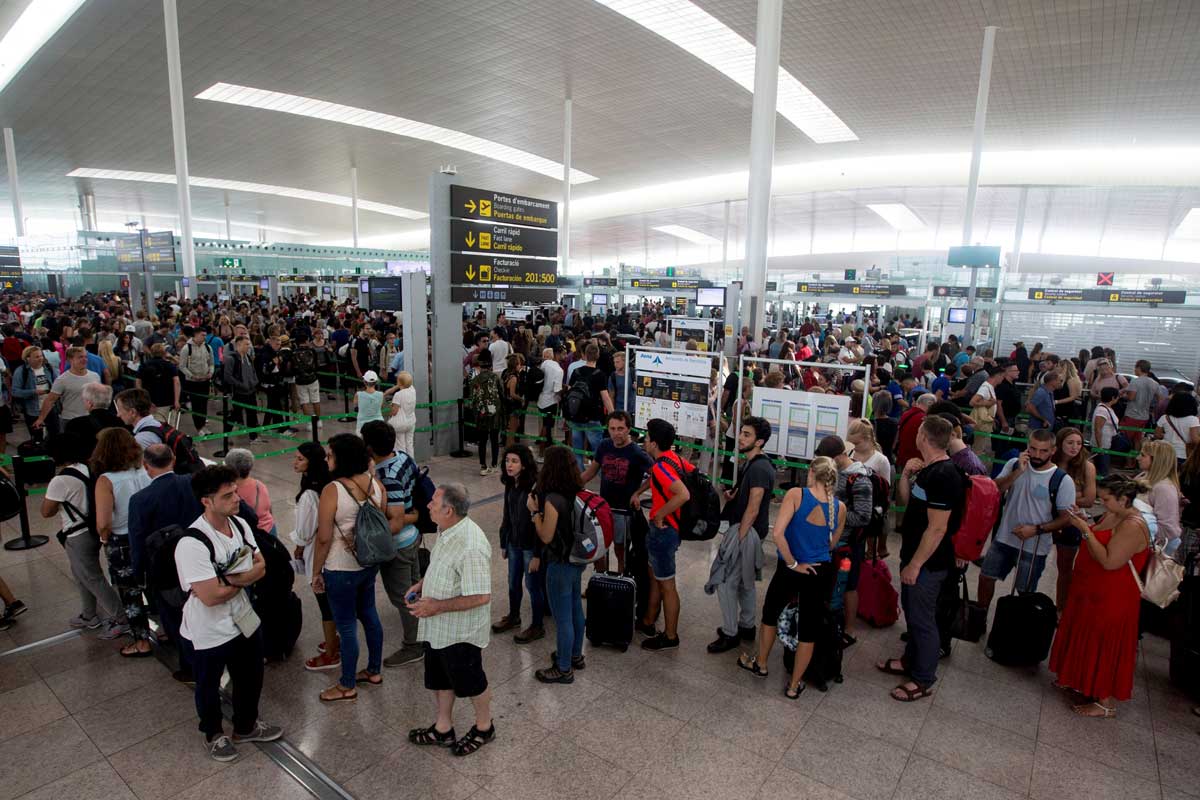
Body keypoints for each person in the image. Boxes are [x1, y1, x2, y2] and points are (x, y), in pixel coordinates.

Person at [177, 464, 282, 761]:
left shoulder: (239, 524)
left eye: (235, 491)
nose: (237, 498)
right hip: (208, 630)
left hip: (242, 618)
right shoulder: (192, 543)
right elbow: (210, 598)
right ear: (206, 501)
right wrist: (242, 578)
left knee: (251, 676)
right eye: (227, 495)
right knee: (208, 685)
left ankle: (245, 725)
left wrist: (228, 580)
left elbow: (262, 566)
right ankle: (213, 733)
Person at [737, 457, 843, 698]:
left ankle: (761, 664)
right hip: (819, 571)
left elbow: (778, 533)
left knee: (770, 613)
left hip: (791, 567)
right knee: (809, 629)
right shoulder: (839, 507)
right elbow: (831, 544)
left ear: (812, 473)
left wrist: (794, 562)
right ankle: (794, 686)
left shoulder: (796, 495)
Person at [876, 415, 963, 702]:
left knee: (923, 620)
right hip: (915, 555)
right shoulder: (929, 470)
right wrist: (905, 477)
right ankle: (909, 661)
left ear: (924, 437)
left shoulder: (944, 475)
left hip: (928, 562)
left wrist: (916, 564)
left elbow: (937, 528)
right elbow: (908, 507)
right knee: (913, 614)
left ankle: (923, 678)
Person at [406, 483, 496, 757]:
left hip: (460, 632)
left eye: (434, 501)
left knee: (471, 682)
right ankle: (443, 727)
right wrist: (423, 584)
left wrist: (436, 606)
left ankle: (484, 726)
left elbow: (481, 596)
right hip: (438, 628)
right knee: (440, 678)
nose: (428, 505)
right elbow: (441, 565)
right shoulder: (447, 530)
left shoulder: (471, 545)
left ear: (449, 510)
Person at [1049, 477, 1151, 718]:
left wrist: (1084, 530)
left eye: (1106, 499)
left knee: (1103, 642)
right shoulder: (1114, 514)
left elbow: (1109, 561)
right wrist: (1084, 522)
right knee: (1083, 631)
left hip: (1111, 595)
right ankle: (1077, 678)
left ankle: (1105, 701)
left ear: (1123, 500)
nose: (1102, 503)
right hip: (1090, 590)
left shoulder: (1133, 525)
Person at [308, 433, 387, 701]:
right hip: (369, 563)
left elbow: (323, 537)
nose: (326, 459)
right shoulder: (376, 485)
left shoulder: (333, 490)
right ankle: (374, 670)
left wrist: (316, 571)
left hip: (340, 567)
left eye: (330, 454)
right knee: (369, 613)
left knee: (347, 625)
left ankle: (347, 684)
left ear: (342, 457)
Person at [972, 428, 1077, 620]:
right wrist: (1018, 472)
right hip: (1004, 537)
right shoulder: (1014, 464)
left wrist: (1036, 530)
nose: (1037, 455)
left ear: (1053, 450)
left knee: (1025, 590)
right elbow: (995, 490)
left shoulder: (1062, 480)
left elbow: (1067, 518)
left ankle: (1015, 629)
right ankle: (979, 618)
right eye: (1033, 449)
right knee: (986, 577)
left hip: (1035, 546)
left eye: (1043, 451)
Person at [127, 443, 205, 682]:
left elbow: (137, 540)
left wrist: (138, 573)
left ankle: (190, 665)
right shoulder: (191, 482)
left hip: (164, 568)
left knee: (173, 617)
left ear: (146, 466)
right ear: (172, 459)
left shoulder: (140, 499)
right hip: (198, 557)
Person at [706, 416, 774, 653]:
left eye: (747, 435)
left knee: (725, 581)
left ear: (760, 441)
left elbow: (754, 507)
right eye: (742, 433)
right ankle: (746, 625)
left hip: (746, 532)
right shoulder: (754, 464)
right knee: (745, 581)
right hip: (749, 530)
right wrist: (735, 498)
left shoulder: (759, 468)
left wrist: (739, 538)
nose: (741, 438)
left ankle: (730, 632)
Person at [361, 421, 424, 669]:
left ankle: (414, 645)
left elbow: (395, 523)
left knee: (404, 597)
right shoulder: (403, 458)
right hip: (413, 537)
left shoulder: (387, 476)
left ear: (369, 447)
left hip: (398, 544)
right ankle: (424, 633)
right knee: (416, 589)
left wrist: (367, 534)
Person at [41, 435, 121, 632]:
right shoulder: (89, 469)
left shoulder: (60, 480)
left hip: (77, 535)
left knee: (92, 577)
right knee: (81, 574)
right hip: (94, 527)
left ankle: (122, 618)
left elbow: (46, 511)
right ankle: (89, 614)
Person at [527, 446, 588, 683]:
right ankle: (575, 655)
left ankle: (563, 668)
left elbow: (546, 536)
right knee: (575, 608)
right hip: (576, 559)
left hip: (559, 563)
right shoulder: (576, 491)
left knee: (562, 617)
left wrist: (534, 513)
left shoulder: (553, 499)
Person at [91, 427, 152, 655]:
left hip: (122, 541)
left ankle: (142, 641)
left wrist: (103, 537)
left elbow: (103, 522)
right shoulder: (144, 471)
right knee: (154, 586)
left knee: (130, 594)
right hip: (148, 536)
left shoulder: (106, 480)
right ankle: (166, 629)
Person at [815, 434, 874, 646]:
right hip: (830, 540)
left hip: (849, 544)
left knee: (849, 586)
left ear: (840, 456)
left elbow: (863, 516)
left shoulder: (860, 480)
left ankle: (849, 629)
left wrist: (834, 513)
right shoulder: (835, 472)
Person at [578, 410, 653, 575]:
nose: (616, 433)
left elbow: (656, 475)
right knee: (599, 546)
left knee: (620, 549)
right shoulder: (604, 445)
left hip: (624, 511)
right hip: (603, 508)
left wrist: (638, 493)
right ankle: (600, 581)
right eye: (612, 428)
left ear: (628, 429)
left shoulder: (636, 452)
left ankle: (620, 580)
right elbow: (591, 472)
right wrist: (572, 485)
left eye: (620, 428)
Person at [638, 418, 691, 651]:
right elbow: (660, 480)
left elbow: (683, 494)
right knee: (656, 577)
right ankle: (648, 620)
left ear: (654, 443)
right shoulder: (674, 459)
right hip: (674, 528)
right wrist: (639, 492)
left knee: (667, 584)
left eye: (647, 437)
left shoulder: (661, 466)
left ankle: (670, 636)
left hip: (664, 530)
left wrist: (660, 514)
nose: (644, 441)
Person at [288, 441, 339, 672]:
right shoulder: (330, 484)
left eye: (300, 459)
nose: (295, 462)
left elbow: (305, 532)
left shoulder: (309, 494)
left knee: (324, 603)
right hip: (333, 550)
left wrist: (298, 546)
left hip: (316, 552)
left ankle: (331, 652)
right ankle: (334, 640)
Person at [492, 444, 545, 644]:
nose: (509, 465)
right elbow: (507, 514)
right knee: (513, 582)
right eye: (507, 461)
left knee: (533, 586)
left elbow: (540, 521)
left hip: (531, 547)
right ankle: (514, 616)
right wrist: (503, 542)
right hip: (514, 543)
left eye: (515, 461)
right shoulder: (510, 484)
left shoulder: (534, 486)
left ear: (524, 465)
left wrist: (538, 555)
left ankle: (537, 626)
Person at [1053, 427, 1097, 610]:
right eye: (1070, 443)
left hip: (1071, 522)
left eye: (1078, 443)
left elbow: (1089, 499)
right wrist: (1072, 495)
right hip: (1045, 517)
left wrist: (1059, 496)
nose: (1074, 447)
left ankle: (1060, 607)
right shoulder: (1051, 462)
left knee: (1065, 568)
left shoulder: (1087, 466)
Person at [565, 343, 614, 470]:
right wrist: (612, 414)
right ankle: (602, 475)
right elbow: (605, 397)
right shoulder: (599, 374)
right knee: (598, 450)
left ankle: (579, 475)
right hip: (592, 416)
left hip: (576, 415)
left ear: (584, 355)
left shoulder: (576, 372)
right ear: (597, 356)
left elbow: (569, 392)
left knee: (577, 450)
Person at [33, 346, 98, 434]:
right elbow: (50, 400)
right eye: (80, 357)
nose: (84, 359)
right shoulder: (62, 380)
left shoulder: (95, 376)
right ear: (70, 360)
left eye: (85, 357)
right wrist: (41, 419)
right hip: (70, 420)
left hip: (91, 419)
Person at [1136, 440, 1182, 551]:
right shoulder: (1144, 477)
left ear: (1156, 460)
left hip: (1151, 548)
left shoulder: (1164, 488)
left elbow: (1167, 528)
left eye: (1143, 455)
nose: (1138, 458)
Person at [62, 382, 124, 461]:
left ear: (89, 403)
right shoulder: (121, 422)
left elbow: (70, 451)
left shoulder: (75, 424)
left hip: (88, 467)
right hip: (117, 463)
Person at [224, 449, 276, 538]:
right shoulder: (259, 485)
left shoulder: (229, 491)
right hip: (269, 529)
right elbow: (269, 509)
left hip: (251, 534)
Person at [468, 350, 504, 475]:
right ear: (490, 364)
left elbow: (472, 400)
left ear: (480, 364)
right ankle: (494, 465)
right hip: (495, 413)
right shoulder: (495, 378)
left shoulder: (474, 381)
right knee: (494, 439)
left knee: (482, 441)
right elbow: (502, 395)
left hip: (480, 414)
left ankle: (483, 466)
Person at [11, 345, 57, 440]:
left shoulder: (48, 368)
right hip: (32, 410)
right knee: (37, 437)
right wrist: (33, 392)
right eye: (37, 357)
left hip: (50, 408)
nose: (40, 358)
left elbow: (57, 383)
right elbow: (15, 391)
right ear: (28, 358)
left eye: (41, 356)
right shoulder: (21, 371)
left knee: (54, 435)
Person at [178, 327, 215, 437]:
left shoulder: (208, 347)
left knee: (204, 404)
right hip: (193, 382)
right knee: (196, 405)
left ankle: (203, 425)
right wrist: (192, 376)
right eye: (202, 335)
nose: (204, 337)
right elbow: (182, 366)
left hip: (205, 380)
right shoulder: (186, 348)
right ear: (196, 335)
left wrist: (210, 373)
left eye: (205, 335)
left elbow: (211, 363)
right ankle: (198, 427)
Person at [222, 335, 260, 442]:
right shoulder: (231, 358)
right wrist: (241, 384)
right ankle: (226, 436)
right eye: (246, 344)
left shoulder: (248, 357)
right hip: (238, 393)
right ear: (239, 345)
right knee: (235, 415)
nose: (249, 346)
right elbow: (228, 377)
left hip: (251, 391)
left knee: (252, 414)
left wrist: (254, 382)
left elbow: (253, 372)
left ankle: (253, 437)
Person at [135, 342, 181, 423]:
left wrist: (142, 398)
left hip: (149, 401)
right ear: (164, 352)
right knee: (168, 426)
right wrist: (176, 400)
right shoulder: (169, 365)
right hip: (167, 401)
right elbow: (176, 382)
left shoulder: (144, 365)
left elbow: (138, 382)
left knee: (151, 425)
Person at [1122, 360, 1161, 449]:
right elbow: (1160, 399)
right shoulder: (1154, 383)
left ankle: (1128, 461)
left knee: (1127, 439)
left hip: (1132, 415)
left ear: (1139, 368)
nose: (1134, 370)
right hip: (1145, 416)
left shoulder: (1135, 381)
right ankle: (1136, 459)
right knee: (1138, 439)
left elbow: (1131, 397)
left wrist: (1124, 396)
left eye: (1135, 367)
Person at [1156, 390, 1200, 464]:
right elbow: (1195, 439)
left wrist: (1166, 435)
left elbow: (1157, 435)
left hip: (1165, 453)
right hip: (1183, 454)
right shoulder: (1193, 419)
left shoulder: (1165, 417)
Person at [384, 371, 417, 457]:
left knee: (400, 446)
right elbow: (403, 385)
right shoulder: (413, 390)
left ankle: (402, 465)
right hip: (411, 421)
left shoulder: (398, 395)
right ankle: (412, 464)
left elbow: (394, 412)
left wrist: (389, 406)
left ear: (399, 382)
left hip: (400, 424)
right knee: (410, 444)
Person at [536, 347, 563, 452]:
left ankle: (547, 442)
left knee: (544, 424)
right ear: (553, 356)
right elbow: (557, 390)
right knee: (547, 425)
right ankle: (541, 453)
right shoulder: (558, 370)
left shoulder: (542, 366)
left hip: (540, 399)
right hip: (551, 401)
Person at [895, 392, 934, 465]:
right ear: (930, 404)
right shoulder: (925, 419)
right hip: (917, 461)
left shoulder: (905, 414)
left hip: (903, 457)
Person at [501, 353, 527, 446]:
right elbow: (512, 394)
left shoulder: (506, 375)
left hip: (508, 406)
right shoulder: (514, 378)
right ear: (515, 365)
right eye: (519, 364)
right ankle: (509, 448)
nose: (520, 366)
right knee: (512, 431)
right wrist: (521, 399)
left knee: (512, 429)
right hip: (513, 407)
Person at [353, 370, 385, 434]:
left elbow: (355, 406)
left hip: (362, 426)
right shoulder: (381, 395)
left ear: (364, 382)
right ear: (376, 382)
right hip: (379, 425)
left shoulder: (358, 394)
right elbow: (381, 407)